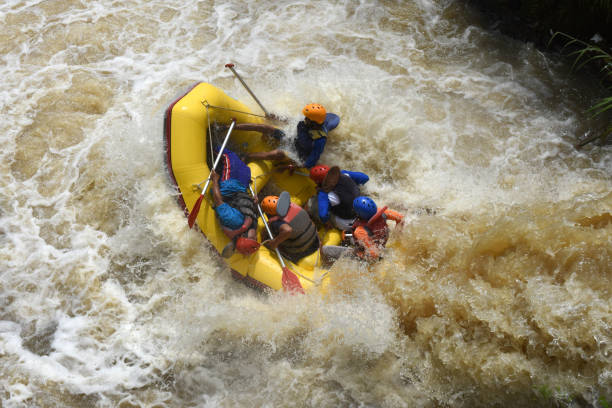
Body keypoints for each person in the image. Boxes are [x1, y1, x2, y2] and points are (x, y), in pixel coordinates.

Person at [321, 196, 404, 262]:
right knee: (346, 233)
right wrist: (399, 233)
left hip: (369, 252)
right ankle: (345, 237)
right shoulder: (383, 213)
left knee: (325, 250)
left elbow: (373, 254)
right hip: (381, 242)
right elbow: (400, 218)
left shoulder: (360, 231)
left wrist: (360, 254)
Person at [260, 192, 320, 263]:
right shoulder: (294, 206)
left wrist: (274, 243)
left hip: (302, 250)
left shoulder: (277, 222)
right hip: (315, 240)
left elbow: (287, 230)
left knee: (270, 232)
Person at [307, 165, 369, 231]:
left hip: (347, 221)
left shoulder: (324, 194)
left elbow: (323, 215)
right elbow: (365, 178)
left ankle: (334, 228)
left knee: (312, 205)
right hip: (362, 208)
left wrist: (326, 222)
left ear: (318, 182)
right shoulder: (344, 173)